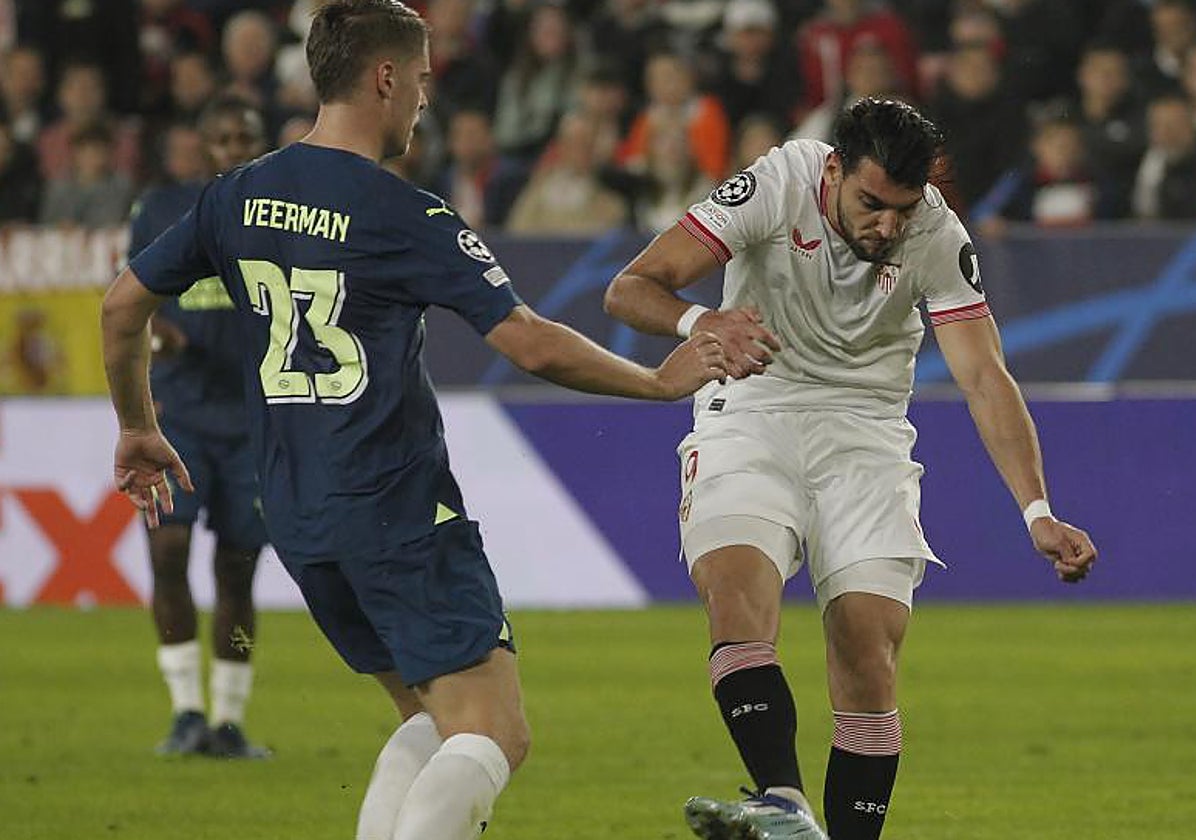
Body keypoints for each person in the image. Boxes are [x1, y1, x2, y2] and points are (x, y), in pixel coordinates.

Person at [100, 3, 727, 839]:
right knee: (495, 730)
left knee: (431, 719)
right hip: (395, 512)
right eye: (422, 80)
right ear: (385, 77)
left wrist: (137, 424)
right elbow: (530, 343)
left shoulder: (237, 195)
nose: (426, 100)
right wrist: (654, 382)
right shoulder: (402, 212)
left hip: (299, 517)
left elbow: (121, 307)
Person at [604, 96, 1098, 840]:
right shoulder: (776, 184)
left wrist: (1037, 511)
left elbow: (984, 376)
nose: (888, 226)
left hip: (866, 436)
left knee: (868, 653)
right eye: (872, 204)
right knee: (736, 597)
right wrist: (703, 321)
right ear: (833, 171)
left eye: (902, 208)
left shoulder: (934, 231)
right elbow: (632, 287)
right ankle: (783, 801)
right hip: (752, 406)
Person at [126, 95, 272, 759]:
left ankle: (230, 715)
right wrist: (162, 335)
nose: (234, 148)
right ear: (204, 144)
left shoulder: (283, 218)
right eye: (223, 137)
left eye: (245, 137)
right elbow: (132, 299)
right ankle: (185, 709)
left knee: (237, 572)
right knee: (168, 555)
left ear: (261, 144)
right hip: (178, 417)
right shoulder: (161, 210)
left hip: (255, 421)